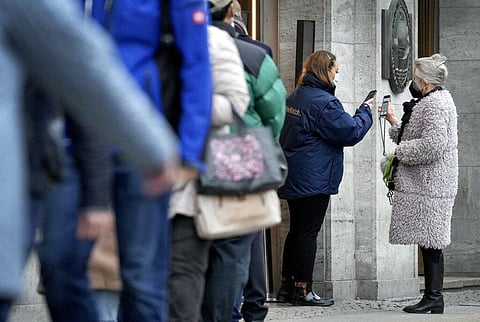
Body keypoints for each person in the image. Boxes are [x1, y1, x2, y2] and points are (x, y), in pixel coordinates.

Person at [0, 1, 179, 321]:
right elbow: (81, 65)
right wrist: (156, 148)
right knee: (64, 268)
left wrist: (180, 149)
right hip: (77, 147)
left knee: (140, 278)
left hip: (98, 144)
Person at [35, 0, 213, 321]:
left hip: (139, 137)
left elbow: (196, 60)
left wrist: (188, 151)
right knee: (58, 262)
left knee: (142, 276)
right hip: (70, 135)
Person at [203, 1, 286, 321]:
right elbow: (274, 116)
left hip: (184, 156)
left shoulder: (172, 45)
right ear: (232, 13)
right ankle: (243, 309)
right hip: (239, 157)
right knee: (236, 244)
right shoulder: (255, 55)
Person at [276, 50, 373, 306]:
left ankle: (286, 286)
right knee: (308, 232)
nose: (337, 76)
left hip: (295, 174)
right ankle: (303, 289)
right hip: (313, 177)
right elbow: (350, 132)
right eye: (336, 71)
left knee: (296, 230)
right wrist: (366, 112)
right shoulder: (324, 103)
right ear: (325, 71)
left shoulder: (295, 96)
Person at [168, 24, 250, 322]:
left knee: (186, 272)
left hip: (199, 175)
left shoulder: (215, 42)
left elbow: (238, 104)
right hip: (217, 170)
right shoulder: (123, 31)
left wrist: (173, 101)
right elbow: (272, 114)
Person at [384, 54, 458, 314]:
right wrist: (393, 120)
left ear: (424, 82)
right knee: (429, 240)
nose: (413, 83)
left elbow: (432, 145)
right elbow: (413, 134)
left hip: (430, 184)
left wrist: (399, 153)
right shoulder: (430, 101)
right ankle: (432, 298)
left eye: (415, 79)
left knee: (432, 241)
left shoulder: (435, 105)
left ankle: (434, 297)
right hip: (428, 184)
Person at [231, 1, 273, 321]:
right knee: (250, 237)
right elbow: (275, 114)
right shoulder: (259, 53)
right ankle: (255, 306)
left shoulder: (189, 45)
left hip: (200, 152)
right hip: (248, 153)